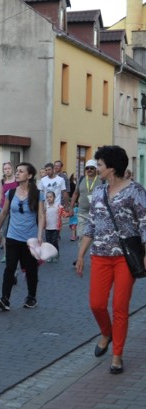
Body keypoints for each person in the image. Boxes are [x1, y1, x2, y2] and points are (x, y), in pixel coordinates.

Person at [75, 146, 146, 375]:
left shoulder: (135, 191)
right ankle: (107, 332)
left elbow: (145, 222)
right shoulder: (98, 192)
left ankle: (117, 355)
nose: (97, 168)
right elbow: (91, 225)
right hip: (100, 255)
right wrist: (81, 255)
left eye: (100, 165)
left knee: (120, 307)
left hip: (125, 258)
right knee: (96, 304)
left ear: (111, 168)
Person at [0, 162, 45, 311]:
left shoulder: (37, 194)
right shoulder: (10, 193)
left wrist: (40, 235)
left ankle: (31, 297)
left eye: (21, 171)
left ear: (29, 176)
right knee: (9, 268)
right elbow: (4, 213)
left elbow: (41, 216)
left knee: (30, 269)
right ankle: (5, 299)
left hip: (30, 239)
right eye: (16, 171)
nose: (17, 173)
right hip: (12, 236)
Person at [70, 160, 102, 242]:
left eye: (91, 168)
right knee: (81, 235)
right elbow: (75, 194)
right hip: (82, 212)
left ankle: (94, 254)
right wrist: (71, 208)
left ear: (96, 169)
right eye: (87, 168)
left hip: (97, 213)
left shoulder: (102, 180)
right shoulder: (81, 179)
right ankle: (81, 254)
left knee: (97, 238)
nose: (89, 170)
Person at [0, 162, 18, 263]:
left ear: (12, 169)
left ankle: (17, 253)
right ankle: (6, 255)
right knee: (5, 233)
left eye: (9, 168)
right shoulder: (1, 182)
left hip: (16, 210)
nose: (7, 170)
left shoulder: (17, 180)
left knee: (16, 232)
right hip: (4, 210)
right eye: (5, 169)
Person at [43, 191, 67, 263]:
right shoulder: (45, 207)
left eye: (50, 197)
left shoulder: (58, 206)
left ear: (54, 197)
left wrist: (70, 212)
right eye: (47, 197)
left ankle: (56, 254)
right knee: (48, 243)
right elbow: (42, 215)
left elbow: (64, 214)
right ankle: (50, 256)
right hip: (47, 227)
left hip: (56, 228)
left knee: (54, 242)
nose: (49, 198)